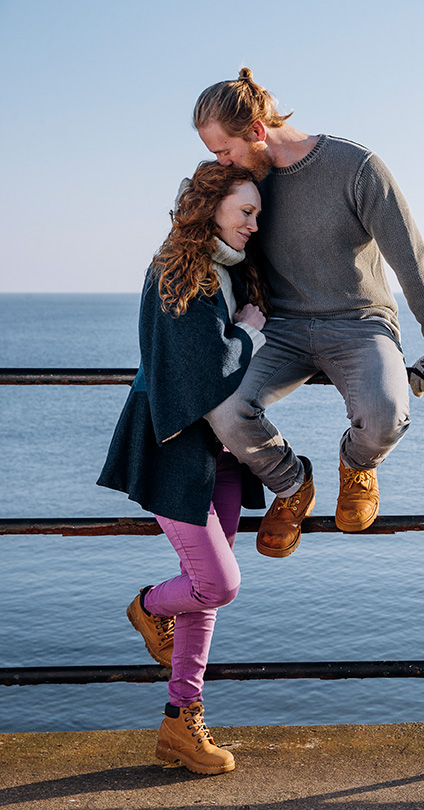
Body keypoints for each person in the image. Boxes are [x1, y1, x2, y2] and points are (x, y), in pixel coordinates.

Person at [192, 68, 424, 558]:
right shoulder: (247, 184)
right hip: (282, 330)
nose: (220, 162)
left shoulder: (356, 167)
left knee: (385, 416)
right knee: (224, 408)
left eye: (223, 150)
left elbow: (411, 258)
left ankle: (357, 465)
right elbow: (205, 242)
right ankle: (293, 486)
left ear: (256, 131)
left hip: (360, 322)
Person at [98, 162, 270, 775]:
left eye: (257, 213)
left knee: (205, 599)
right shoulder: (181, 267)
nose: (254, 223)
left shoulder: (229, 269)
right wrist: (248, 333)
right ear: (211, 205)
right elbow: (207, 365)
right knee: (217, 583)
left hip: (219, 452)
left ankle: (181, 723)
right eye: (244, 211)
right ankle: (146, 606)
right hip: (175, 447)